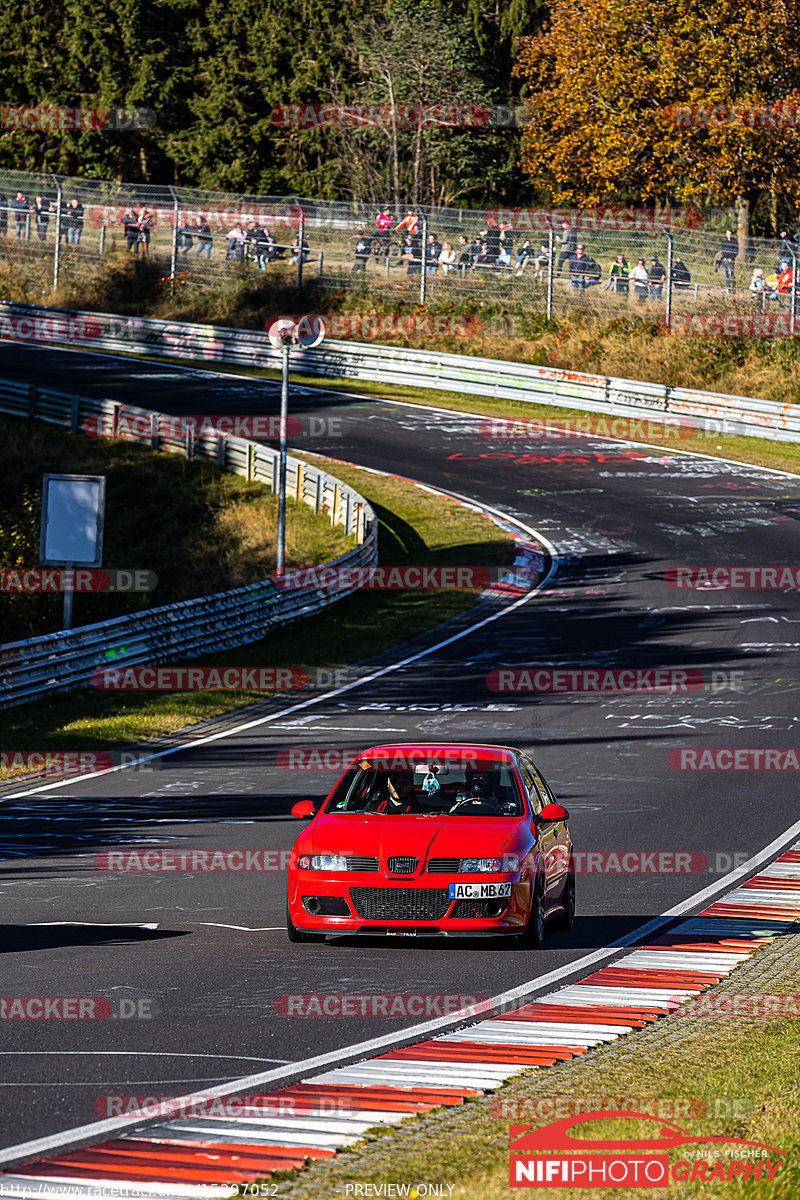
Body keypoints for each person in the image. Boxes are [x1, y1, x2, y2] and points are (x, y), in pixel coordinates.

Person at [718, 228, 737, 295]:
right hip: (724, 260)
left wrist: (731, 258)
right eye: (727, 234)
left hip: (730, 261)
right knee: (725, 274)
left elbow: (736, 251)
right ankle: (727, 288)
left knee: (731, 274)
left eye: (730, 234)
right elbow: (722, 251)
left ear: (731, 234)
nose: (728, 235)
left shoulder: (734, 242)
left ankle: (733, 288)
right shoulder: (724, 242)